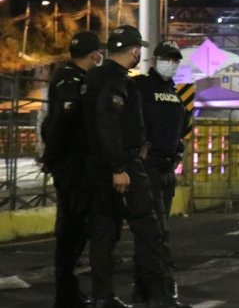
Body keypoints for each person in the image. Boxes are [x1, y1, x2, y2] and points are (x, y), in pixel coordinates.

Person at [82, 25, 187, 308]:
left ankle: (104, 296)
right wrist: (120, 165)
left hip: (100, 163)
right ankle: (157, 296)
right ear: (134, 51)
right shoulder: (122, 80)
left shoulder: (95, 77)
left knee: (105, 232)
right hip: (125, 163)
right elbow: (109, 121)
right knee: (149, 230)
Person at [41, 30, 103, 308]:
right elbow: (60, 124)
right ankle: (66, 295)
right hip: (71, 167)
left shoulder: (75, 77)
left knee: (77, 229)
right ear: (94, 55)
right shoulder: (70, 79)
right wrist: (52, 157)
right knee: (71, 231)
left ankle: (69, 291)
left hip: (77, 165)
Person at [134, 40, 190, 302]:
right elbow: (131, 121)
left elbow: (183, 127)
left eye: (175, 59)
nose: (172, 63)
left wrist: (179, 149)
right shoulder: (142, 87)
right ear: (155, 60)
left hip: (167, 167)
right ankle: (163, 290)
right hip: (148, 167)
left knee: (156, 230)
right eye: (168, 58)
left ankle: (144, 289)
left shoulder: (175, 93)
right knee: (157, 231)